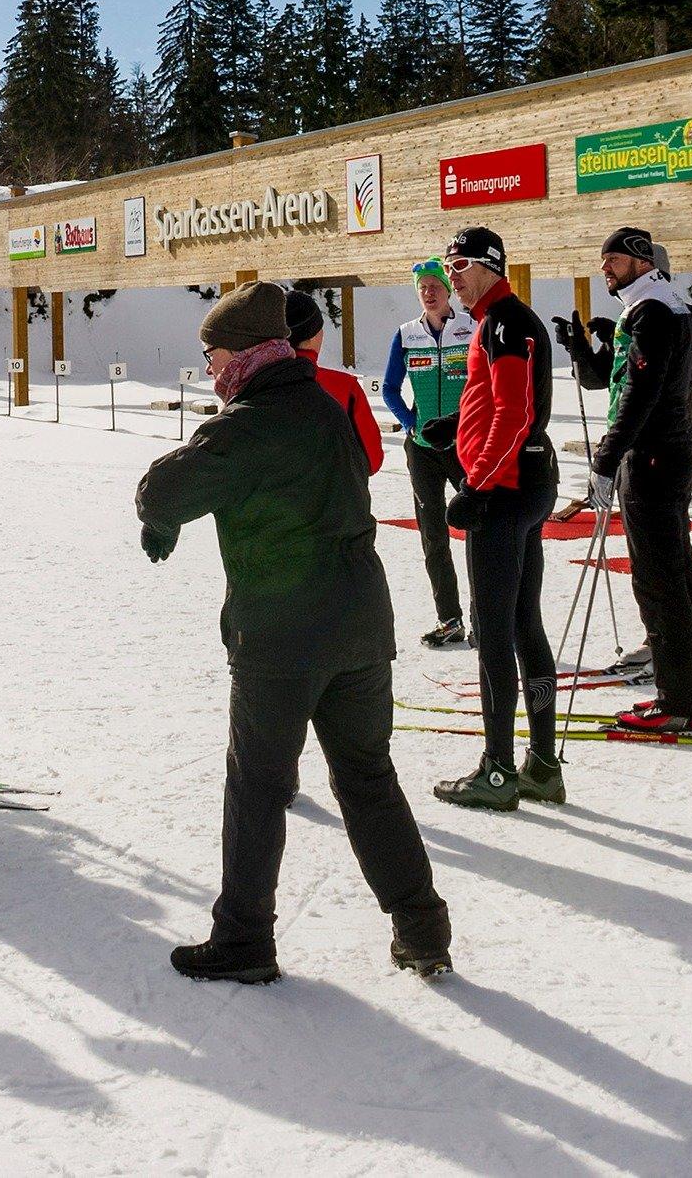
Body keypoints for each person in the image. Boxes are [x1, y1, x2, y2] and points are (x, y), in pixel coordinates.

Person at [137, 280, 450, 985]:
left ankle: (244, 939)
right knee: (368, 778)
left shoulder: (243, 424)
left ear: (245, 354)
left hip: (282, 635)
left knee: (257, 785)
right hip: (361, 625)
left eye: (213, 357)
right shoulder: (321, 404)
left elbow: (162, 493)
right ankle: (421, 925)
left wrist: (159, 514)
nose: (211, 372)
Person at [555, 226, 692, 734]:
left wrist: (605, 459)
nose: (606, 267)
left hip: (652, 457)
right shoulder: (661, 308)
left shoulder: (653, 311)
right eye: (603, 260)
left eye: (615, 260)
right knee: (677, 573)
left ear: (644, 262)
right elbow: (609, 378)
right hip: (667, 453)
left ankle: (676, 702)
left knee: (658, 579)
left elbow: (639, 395)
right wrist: (585, 348)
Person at [431, 228, 564, 813]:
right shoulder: (499, 320)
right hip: (525, 480)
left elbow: (514, 412)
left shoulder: (505, 320)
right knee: (522, 623)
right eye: (448, 265)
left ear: (489, 267)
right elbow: (495, 402)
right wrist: (453, 424)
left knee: (492, 632)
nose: (452, 276)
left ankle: (498, 771)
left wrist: (475, 486)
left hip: (506, 489)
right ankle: (540, 764)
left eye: (459, 265)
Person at [382, 259, 478, 649]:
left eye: (435, 285)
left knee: (477, 529)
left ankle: (481, 617)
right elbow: (389, 387)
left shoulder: (472, 327)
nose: (429, 292)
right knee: (433, 535)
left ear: (447, 288)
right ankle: (449, 618)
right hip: (422, 449)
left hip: (463, 446)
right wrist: (410, 423)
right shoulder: (406, 334)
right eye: (422, 287)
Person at [285, 287, 383, 475]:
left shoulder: (254, 382)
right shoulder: (345, 387)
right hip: (336, 498)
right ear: (315, 334)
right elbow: (372, 459)